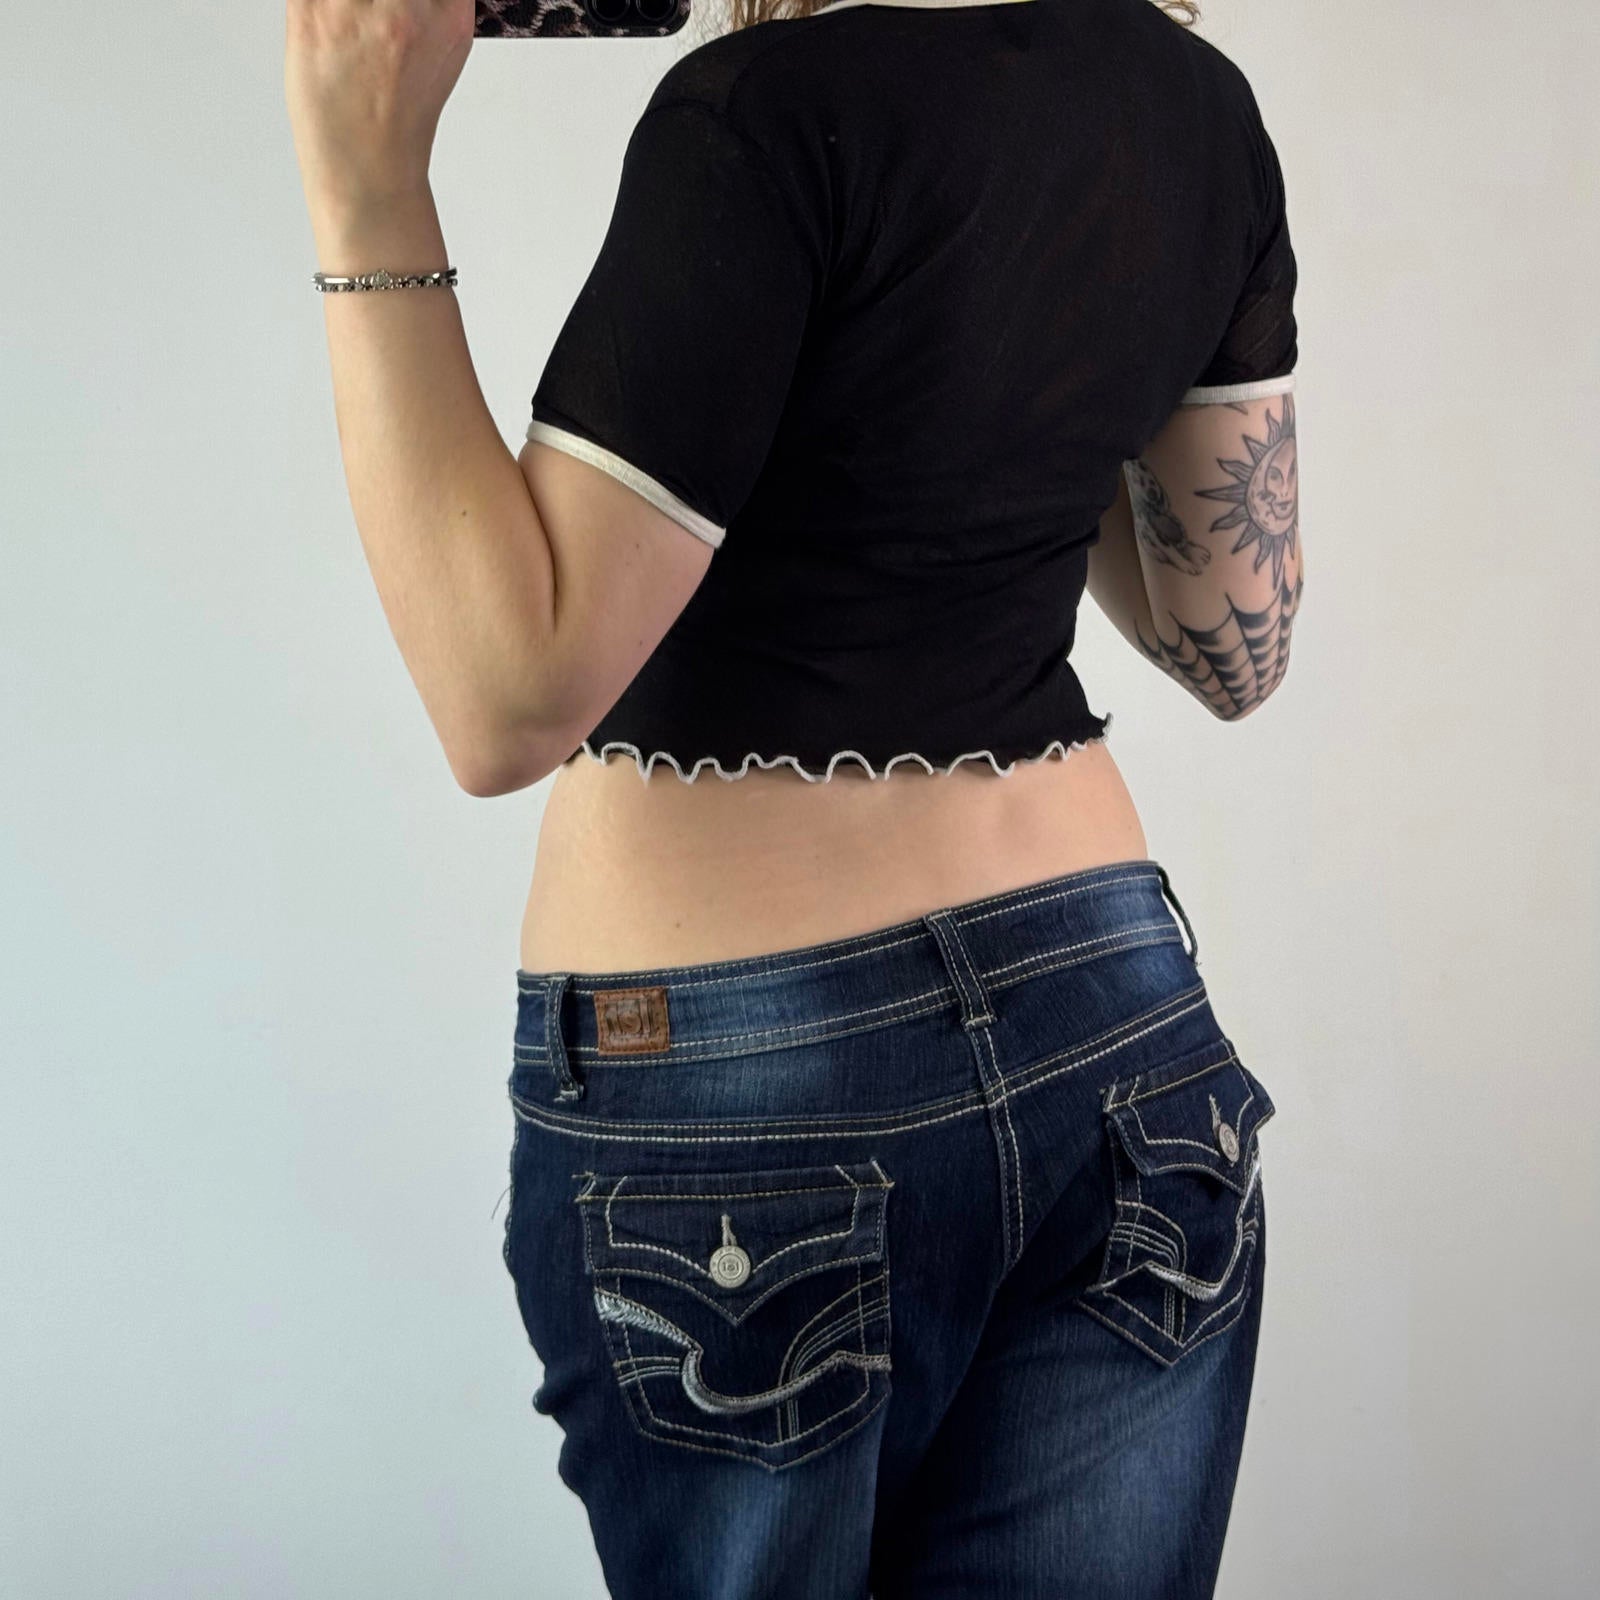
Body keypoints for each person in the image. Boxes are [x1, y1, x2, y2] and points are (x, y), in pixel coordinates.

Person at [291, 0, 1299, 1592]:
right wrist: (1036, 337)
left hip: (751, 1088)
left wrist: (369, 189)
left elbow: (505, 699)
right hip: (1119, 1039)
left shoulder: (761, 112)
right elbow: (1232, 644)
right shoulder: (1198, 107)